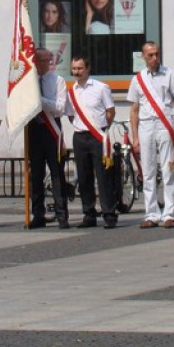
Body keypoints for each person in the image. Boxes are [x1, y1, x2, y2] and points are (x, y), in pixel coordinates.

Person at [129, 41, 174, 228]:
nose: (154, 58)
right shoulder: (138, 80)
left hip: (165, 123)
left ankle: (169, 213)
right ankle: (151, 214)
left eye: (157, 54)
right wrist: (135, 136)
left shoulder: (170, 74)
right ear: (143, 56)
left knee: (169, 169)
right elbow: (134, 109)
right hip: (146, 125)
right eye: (150, 55)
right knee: (148, 171)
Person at [67, 55, 117, 228]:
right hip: (80, 136)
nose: (76, 72)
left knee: (103, 176)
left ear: (88, 69)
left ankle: (109, 214)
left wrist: (102, 129)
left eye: (80, 68)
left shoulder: (101, 88)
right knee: (83, 177)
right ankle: (89, 214)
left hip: (97, 136)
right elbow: (70, 114)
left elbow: (110, 111)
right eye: (74, 69)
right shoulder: (71, 90)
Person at [28, 49, 70, 229]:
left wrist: (40, 100)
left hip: (52, 130)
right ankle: (38, 214)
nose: (45, 63)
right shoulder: (28, 83)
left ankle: (62, 215)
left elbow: (60, 108)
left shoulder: (57, 81)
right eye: (40, 60)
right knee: (35, 175)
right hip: (34, 130)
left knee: (57, 174)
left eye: (47, 60)